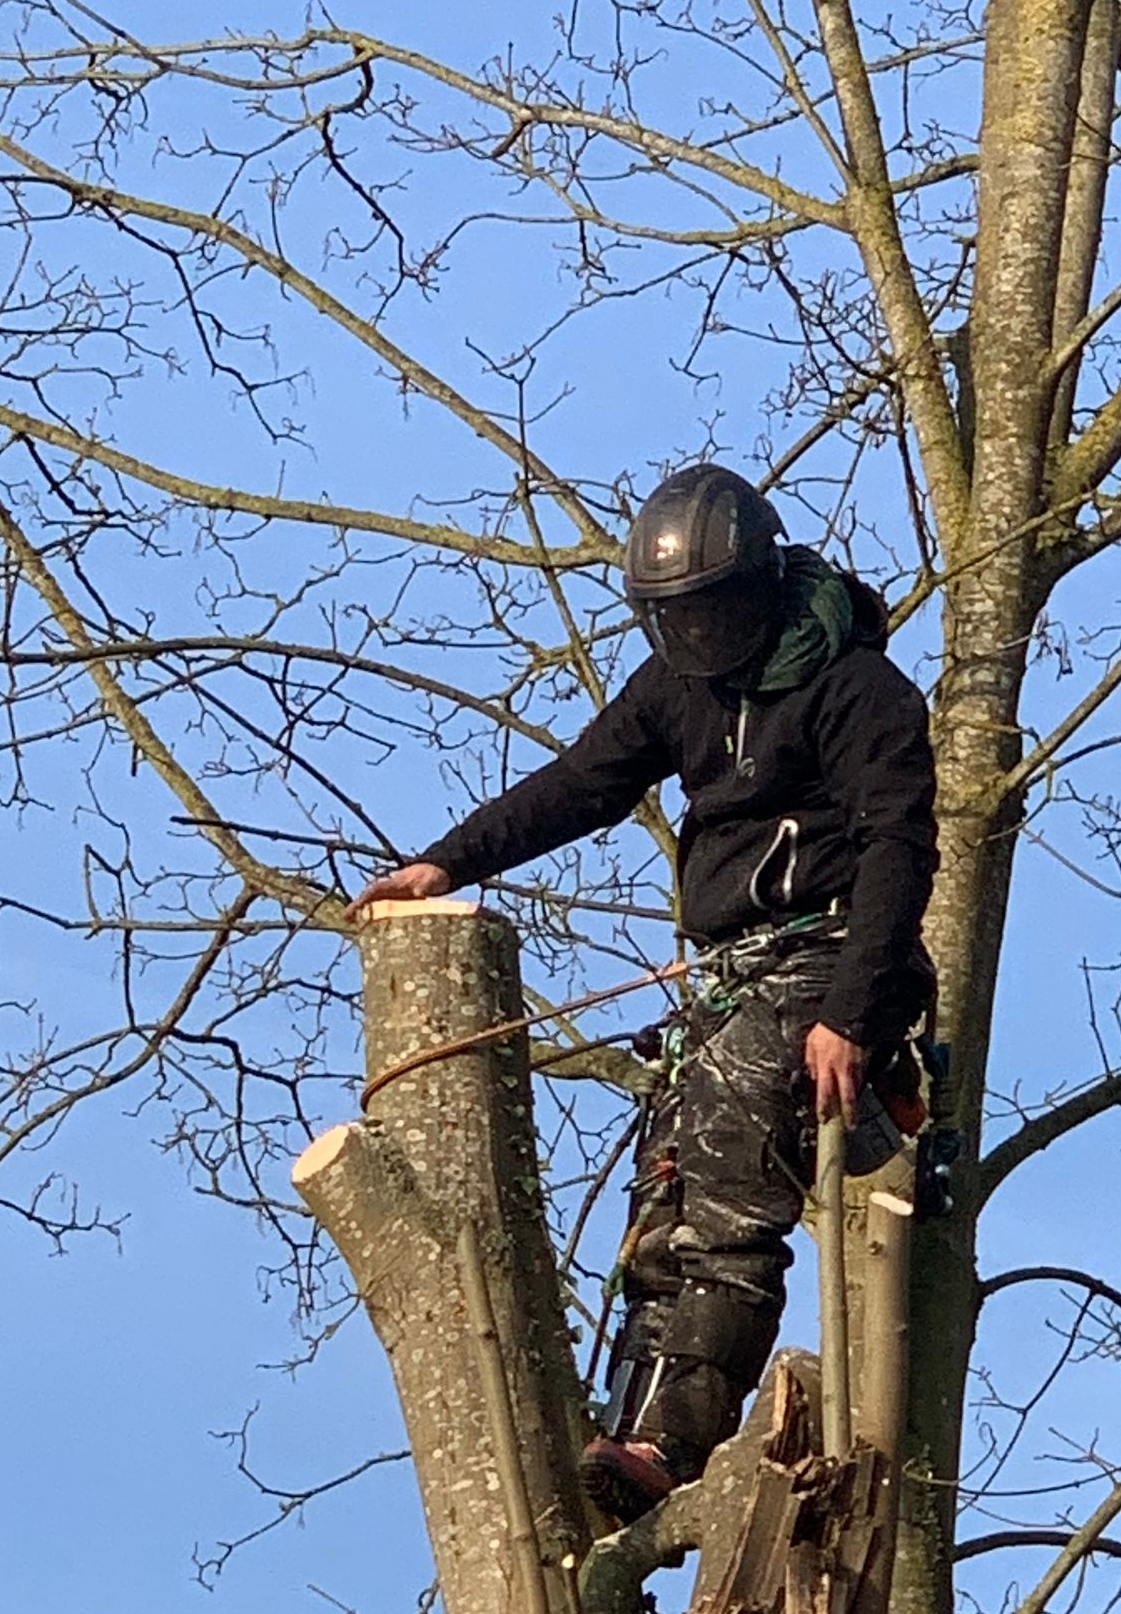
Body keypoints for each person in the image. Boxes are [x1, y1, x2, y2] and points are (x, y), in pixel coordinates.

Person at [353, 464, 938, 1520]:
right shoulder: (676, 686)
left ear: (757, 589)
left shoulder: (860, 692)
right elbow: (582, 781)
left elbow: (901, 849)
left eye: (711, 614)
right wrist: (448, 864)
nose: (698, 638)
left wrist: (852, 1017)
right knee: (661, 1188)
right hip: (730, 973)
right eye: (677, 618)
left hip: (838, 954)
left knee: (721, 1159)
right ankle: (625, 1438)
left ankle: (674, 1439)